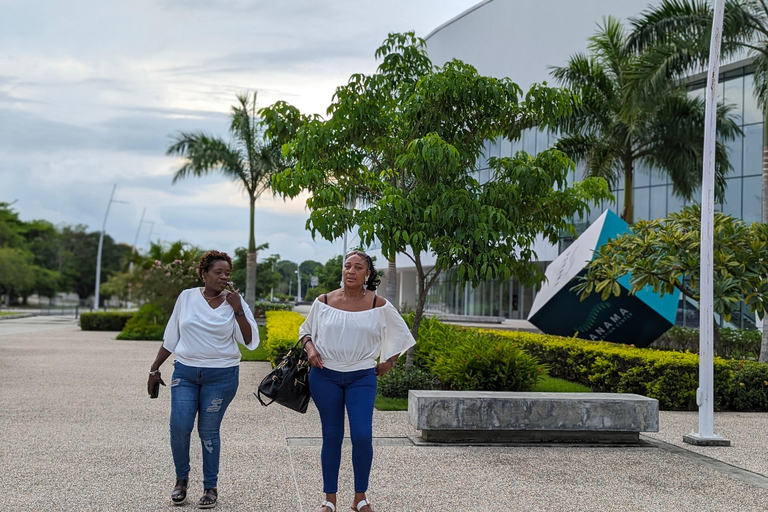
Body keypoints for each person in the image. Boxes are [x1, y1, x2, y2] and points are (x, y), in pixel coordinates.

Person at [299, 250, 416, 512]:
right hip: (325, 375)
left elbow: (402, 334)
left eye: (358, 267)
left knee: (362, 436)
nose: (351, 271)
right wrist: (311, 350)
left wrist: (390, 361)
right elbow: (305, 331)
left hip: (362, 377)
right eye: (347, 266)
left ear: (368, 273)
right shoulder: (324, 300)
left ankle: (359, 497)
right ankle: (329, 500)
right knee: (332, 436)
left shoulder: (379, 304)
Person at [147, 250, 259, 509]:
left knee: (208, 432)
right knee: (179, 426)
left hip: (221, 377)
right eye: (218, 272)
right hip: (185, 374)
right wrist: (154, 369)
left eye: (227, 273)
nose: (223, 277)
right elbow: (172, 337)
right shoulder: (186, 297)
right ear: (203, 273)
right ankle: (181, 480)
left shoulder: (235, 302)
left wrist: (238, 309)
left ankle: (210, 487)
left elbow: (251, 342)